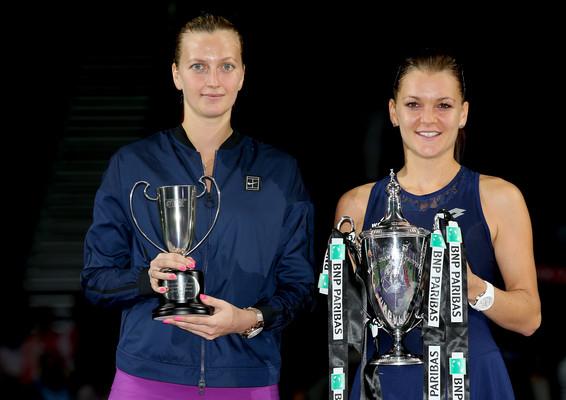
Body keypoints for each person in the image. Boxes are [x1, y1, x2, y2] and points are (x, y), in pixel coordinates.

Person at [81, 13, 316, 399]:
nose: (212, 80)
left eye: (226, 66)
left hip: (247, 378)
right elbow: (95, 280)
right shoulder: (132, 164)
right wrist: (147, 279)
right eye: (198, 66)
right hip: (146, 378)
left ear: (242, 75)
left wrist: (249, 320)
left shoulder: (279, 171)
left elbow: (301, 287)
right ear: (176, 74)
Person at [334, 49, 541, 399]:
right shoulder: (355, 204)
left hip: (473, 377)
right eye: (414, 104)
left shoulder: (500, 197)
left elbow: (529, 318)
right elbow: (350, 317)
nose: (428, 118)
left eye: (443, 105)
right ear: (393, 112)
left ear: (463, 114)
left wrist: (471, 287)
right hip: (387, 380)